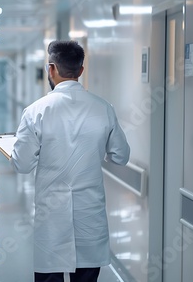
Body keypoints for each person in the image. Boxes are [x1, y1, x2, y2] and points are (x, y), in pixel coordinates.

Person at [10, 40, 130, 282]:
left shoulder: (36, 111)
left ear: (51, 68)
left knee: (49, 273)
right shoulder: (103, 108)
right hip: (89, 214)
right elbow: (121, 155)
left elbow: (22, 165)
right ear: (81, 71)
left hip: (51, 216)